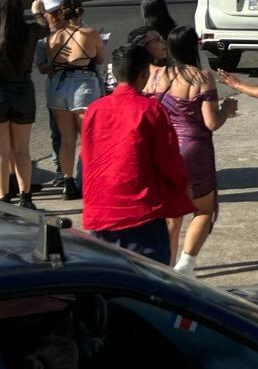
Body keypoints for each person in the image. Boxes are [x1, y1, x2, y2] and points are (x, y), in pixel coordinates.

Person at [81, 42, 193, 264]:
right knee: (149, 277)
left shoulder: (95, 109)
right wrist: (183, 187)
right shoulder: (150, 109)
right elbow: (168, 160)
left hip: (101, 209)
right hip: (140, 212)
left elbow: (87, 156)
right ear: (144, 74)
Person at [160, 26, 238, 273]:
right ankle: (186, 264)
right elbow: (211, 122)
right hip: (195, 148)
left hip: (167, 148)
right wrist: (227, 109)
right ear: (194, 46)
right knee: (203, 210)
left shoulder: (158, 76)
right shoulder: (201, 78)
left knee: (172, 214)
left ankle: (165, 267)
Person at [0, 0, 40, 208]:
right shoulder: (29, 31)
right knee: (22, 150)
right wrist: (38, 12)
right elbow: (46, 27)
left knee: (0, 151)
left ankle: (4, 201)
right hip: (23, 92)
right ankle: (26, 198)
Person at [43, 0, 104, 199]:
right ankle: (87, 181)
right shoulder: (89, 33)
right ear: (80, 12)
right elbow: (99, 59)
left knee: (66, 139)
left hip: (58, 86)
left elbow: (50, 63)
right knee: (87, 137)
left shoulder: (52, 38)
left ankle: (67, 183)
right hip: (82, 83)